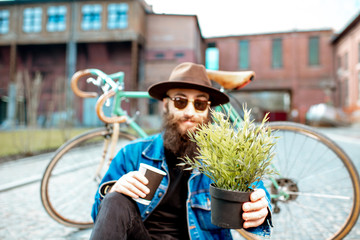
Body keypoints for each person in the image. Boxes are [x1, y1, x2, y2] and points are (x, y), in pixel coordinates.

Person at [90, 62, 272, 240]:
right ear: (165, 104)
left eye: (200, 104)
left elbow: (256, 198)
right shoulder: (132, 154)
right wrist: (112, 191)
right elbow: (100, 218)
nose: (190, 112)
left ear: (208, 109)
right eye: (180, 101)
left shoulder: (228, 159)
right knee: (114, 199)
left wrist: (259, 210)